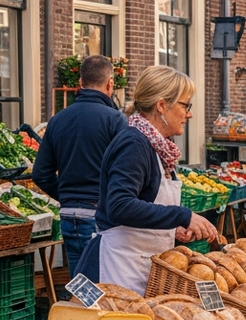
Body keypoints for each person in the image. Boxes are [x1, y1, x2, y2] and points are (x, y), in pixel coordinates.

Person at [87, 65, 219, 295]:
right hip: (120, 267)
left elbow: (144, 204)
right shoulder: (134, 144)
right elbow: (120, 205)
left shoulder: (158, 147)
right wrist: (181, 215)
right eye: (185, 105)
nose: (189, 114)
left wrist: (172, 227)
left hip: (140, 264)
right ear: (161, 105)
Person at [32, 55, 126, 277]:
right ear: (110, 83)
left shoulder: (57, 120)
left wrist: (67, 195)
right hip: (101, 217)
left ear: (80, 83)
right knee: (103, 288)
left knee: (80, 286)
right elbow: (125, 173)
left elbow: (40, 174)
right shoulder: (115, 120)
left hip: (69, 216)